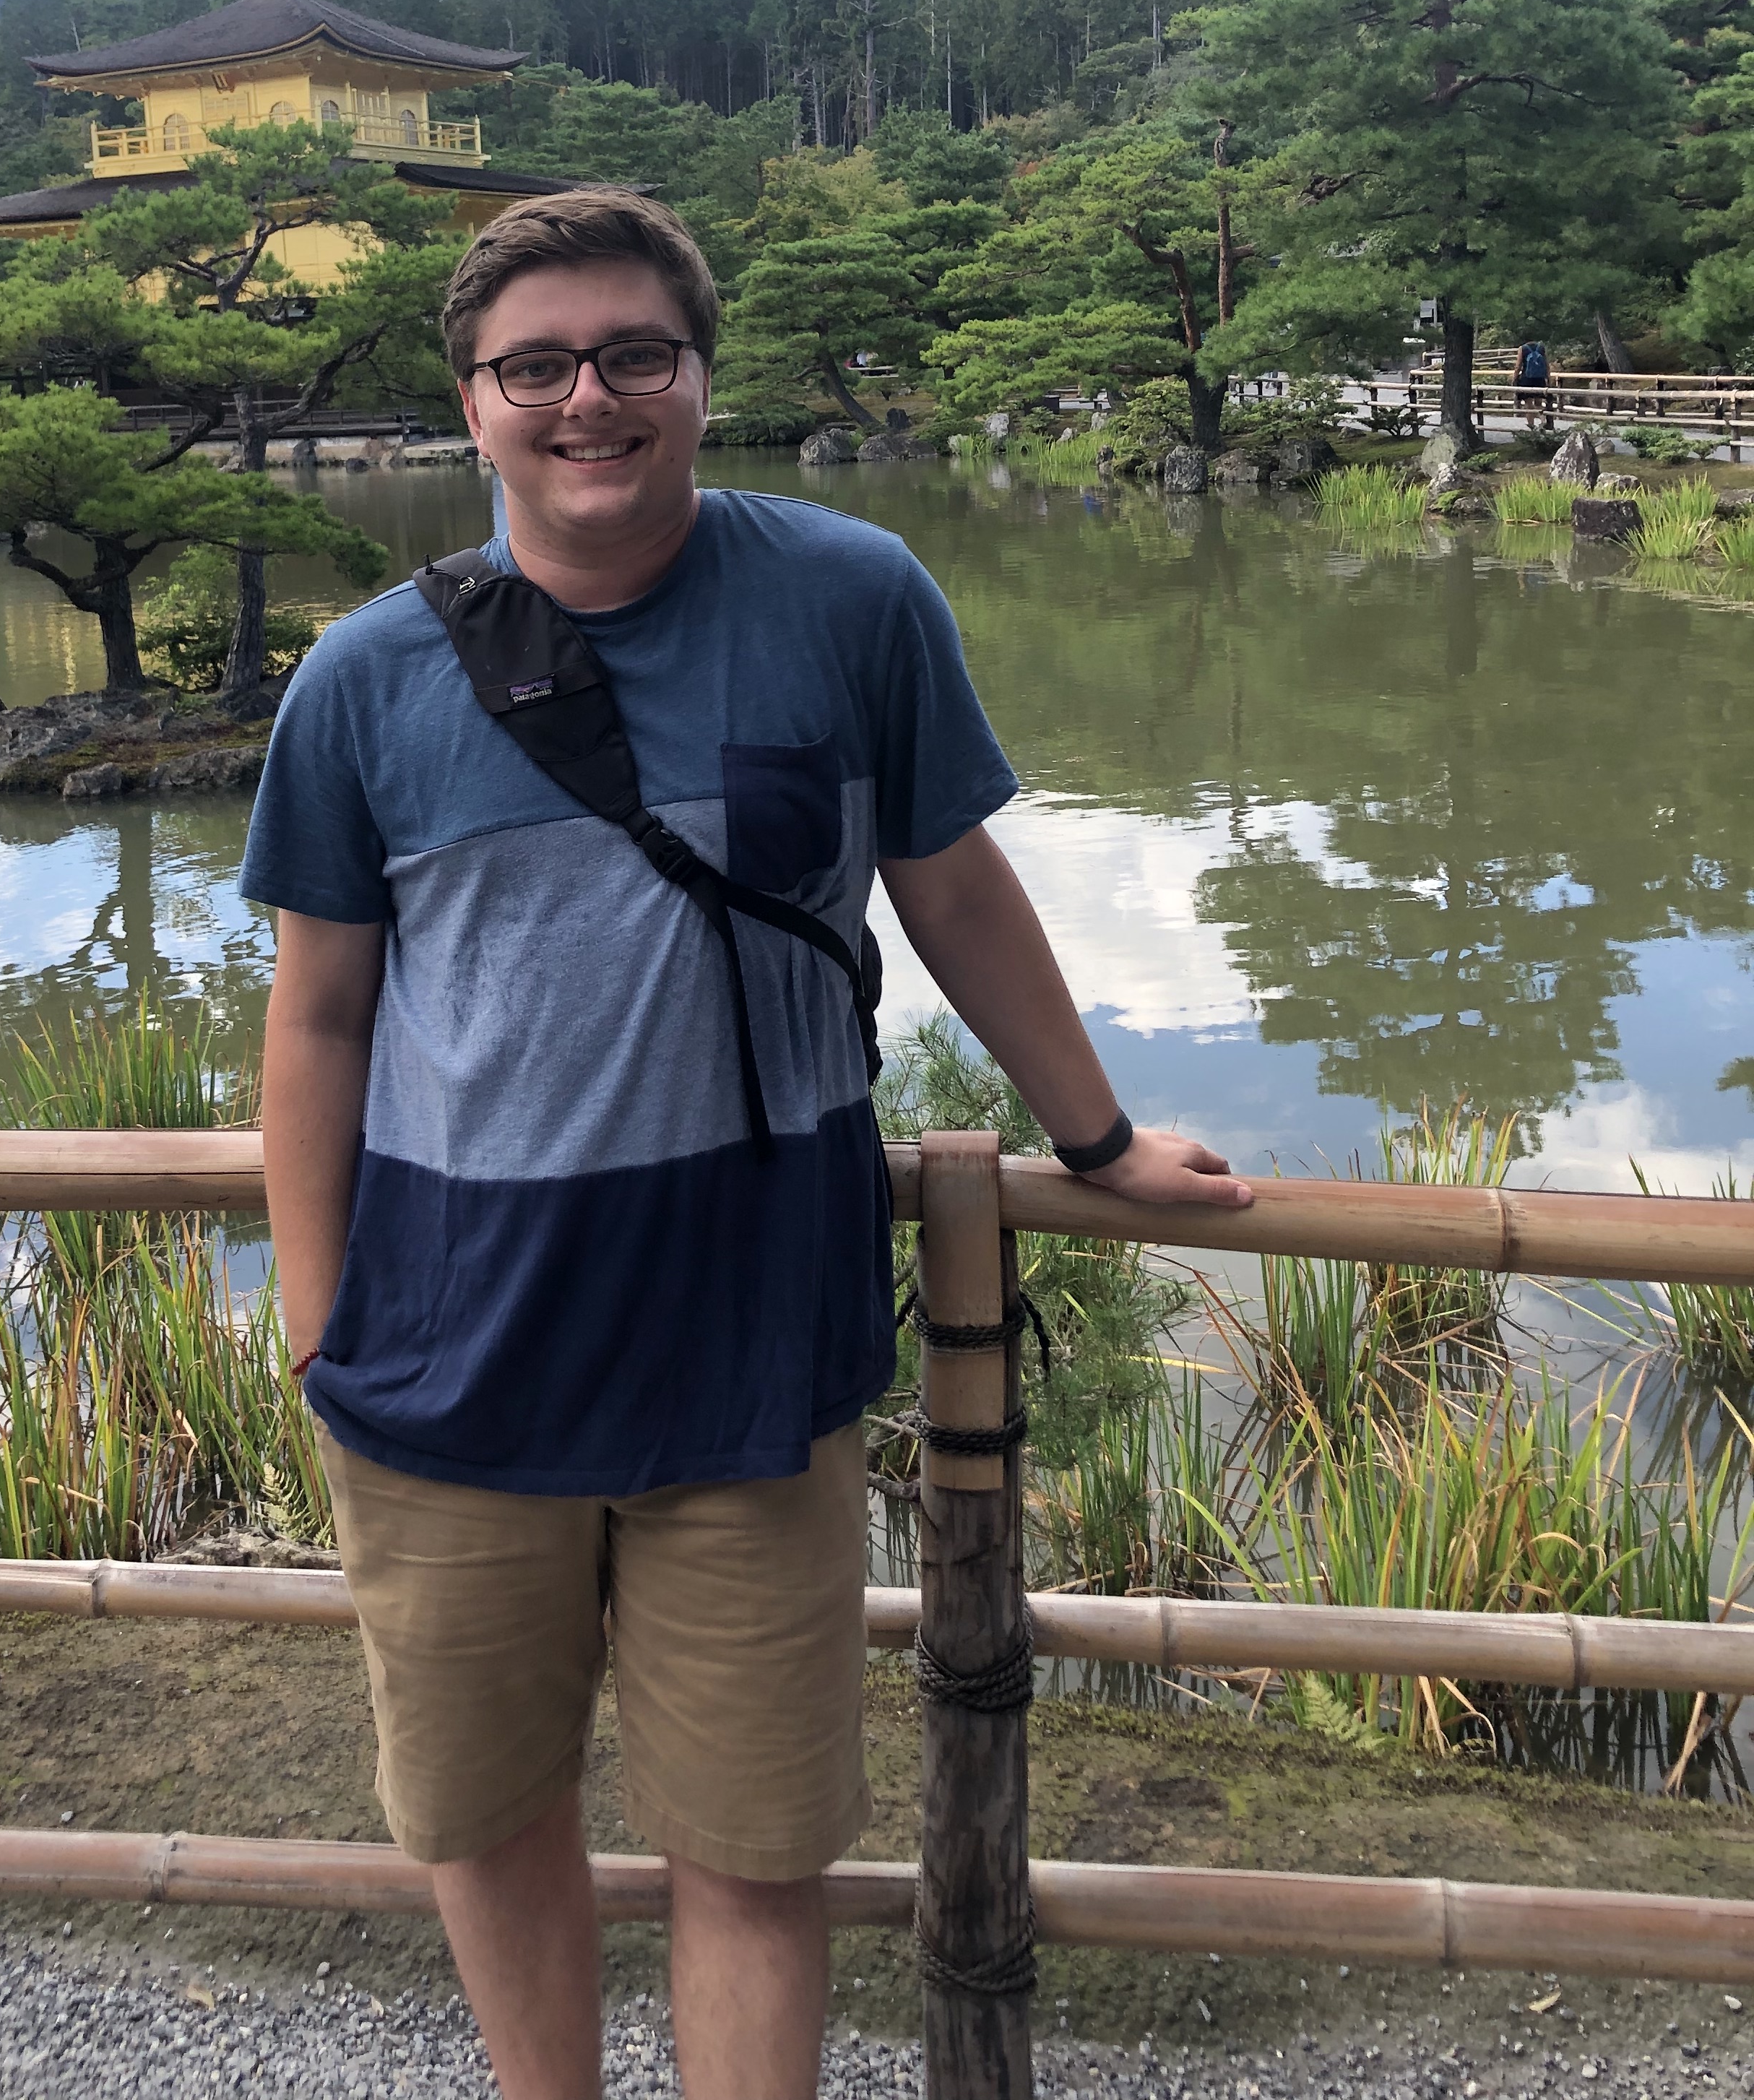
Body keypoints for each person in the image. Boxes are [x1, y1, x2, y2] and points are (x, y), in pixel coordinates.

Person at [243, 189, 1250, 2100]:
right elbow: (320, 1018)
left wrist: (1096, 1134)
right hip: (453, 1364)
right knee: (487, 1819)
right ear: (470, 408)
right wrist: (320, 1330)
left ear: (703, 380)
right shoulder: (365, 680)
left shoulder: (853, 599)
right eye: (533, 365)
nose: (586, 398)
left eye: (633, 353)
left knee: (755, 1842)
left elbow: (948, 881)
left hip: (754, 1355)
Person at [1516, 334, 1552, 431]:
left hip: (1527, 378)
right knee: (1539, 403)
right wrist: (1548, 379)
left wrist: (1515, 378)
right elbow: (1547, 365)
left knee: (1528, 403)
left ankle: (1531, 427)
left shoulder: (1522, 349)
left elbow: (1518, 366)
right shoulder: (1541, 348)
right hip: (1540, 379)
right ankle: (1543, 420)